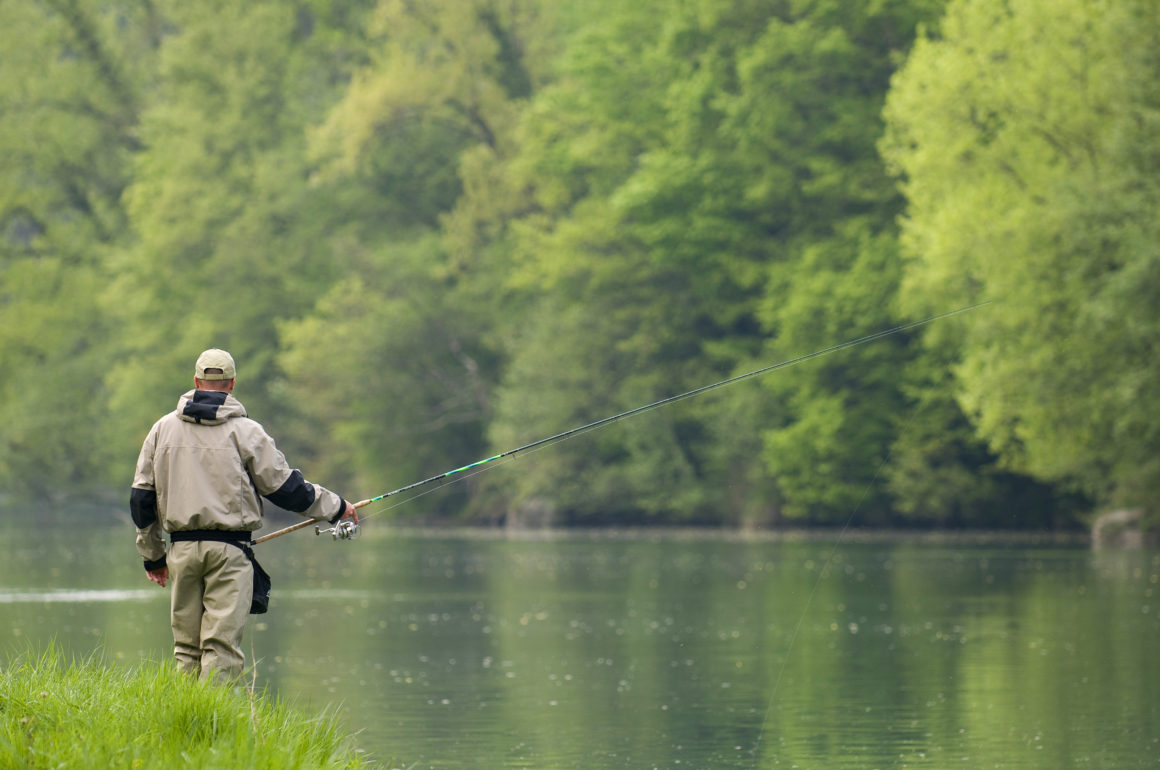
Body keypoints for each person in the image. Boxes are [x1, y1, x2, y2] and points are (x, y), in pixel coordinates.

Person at [130, 348, 357, 681]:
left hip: (179, 552)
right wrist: (336, 507)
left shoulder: (161, 429)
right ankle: (215, 727)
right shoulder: (247, 431)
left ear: (195, 382)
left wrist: (153, 556)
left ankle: (183, 725)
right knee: (220, 649)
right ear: (232, 384)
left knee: (186, 650)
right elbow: (285, 488)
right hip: (229, 553)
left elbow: (141, 499)